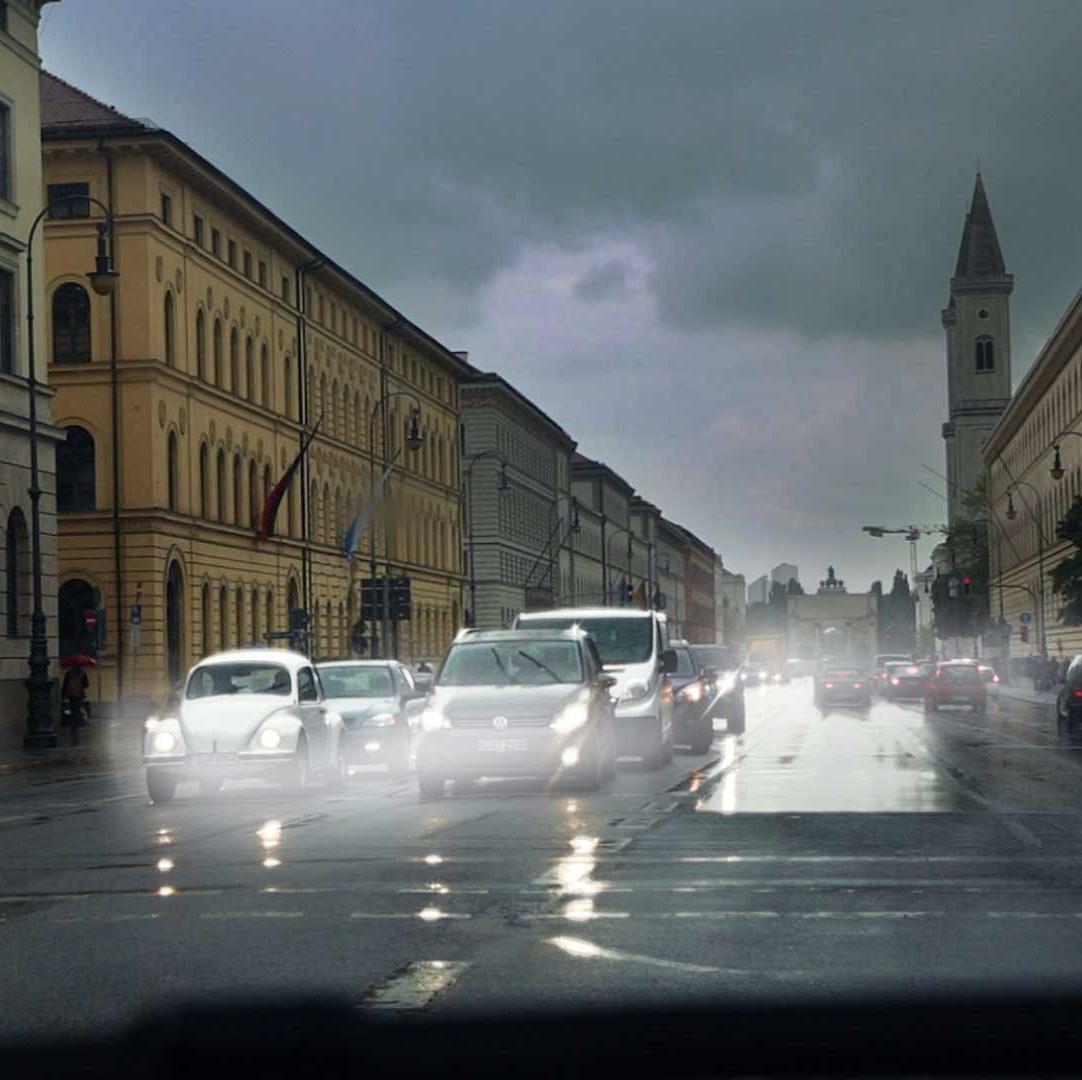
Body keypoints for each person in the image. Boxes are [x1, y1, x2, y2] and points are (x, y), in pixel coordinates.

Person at [60, 663, 90, 745]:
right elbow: (86, 685)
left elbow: (65, 685)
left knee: (73, 709)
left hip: (71, 695)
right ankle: (77, 723)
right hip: (80, 695)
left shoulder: (69, 672)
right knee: (78, 708)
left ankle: (73, 725)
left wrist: (63, 696)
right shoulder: (82, 672)